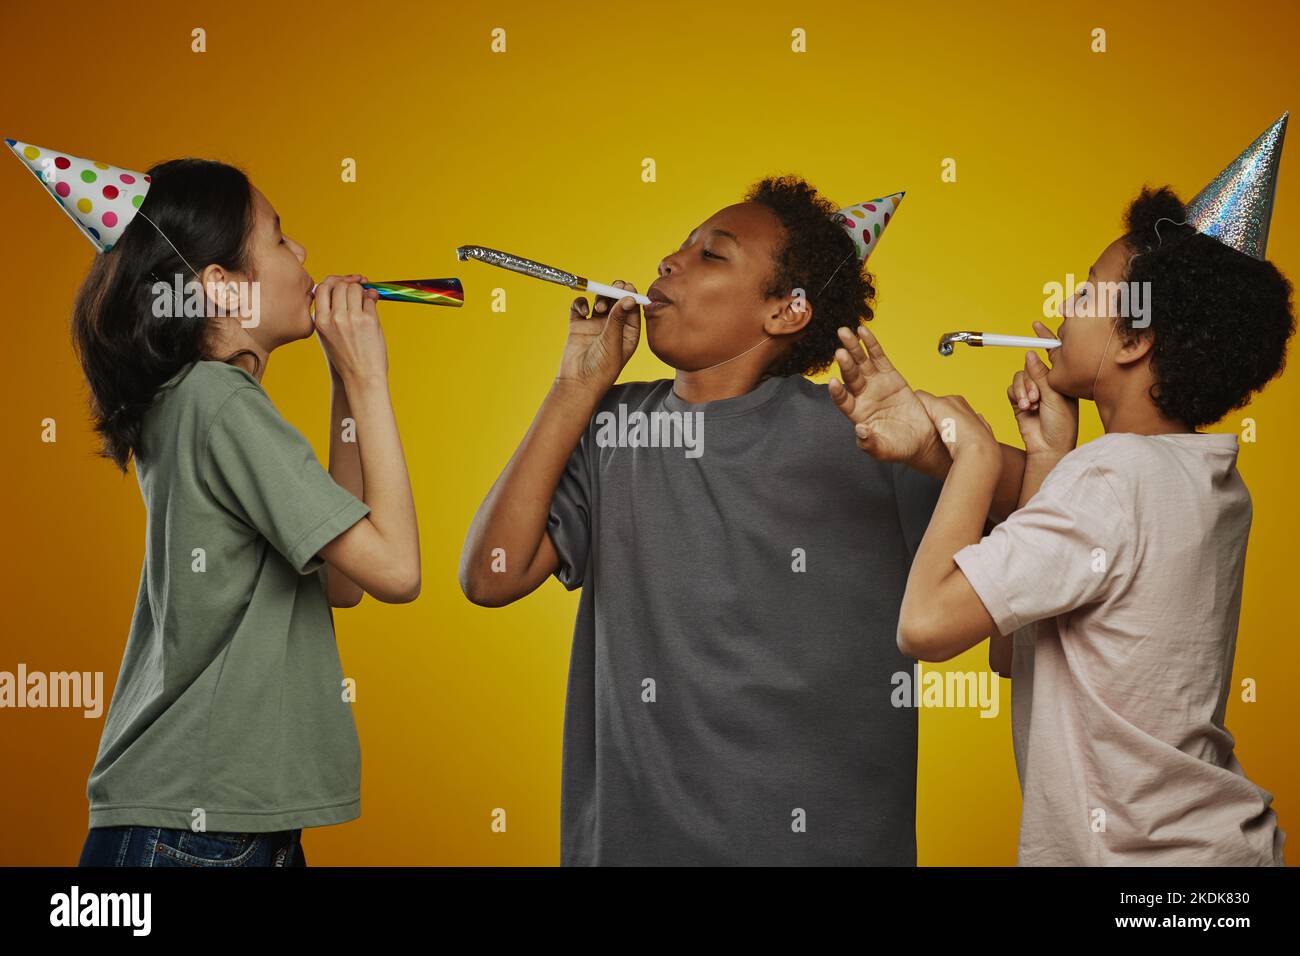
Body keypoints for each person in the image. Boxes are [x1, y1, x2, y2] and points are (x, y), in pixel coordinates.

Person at [460, 175, 1027, 865]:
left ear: (786, 313)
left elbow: (1061, 518)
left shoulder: (866, 433)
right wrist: (574, 387)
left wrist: (944, 454)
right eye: (681, 246)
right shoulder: (610, 427)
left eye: (712, 255)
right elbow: (491, 577)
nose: (671, 261)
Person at [5, 139, 421, 866]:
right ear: (227, 287)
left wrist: (342, 381)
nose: (303, 249)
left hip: (212, 821)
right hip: (197, 832)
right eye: (281, 236)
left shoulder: (197, 402)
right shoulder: (222, 404)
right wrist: (372, 376)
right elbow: (396, 571)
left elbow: (342, 582)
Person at [861, 175, 1293, 864]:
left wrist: (972, 454)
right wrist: (1046, 456)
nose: (1064, 305)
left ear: (1132, 342)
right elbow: (1013, 651)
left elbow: (925, 626)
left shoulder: (1110, 478)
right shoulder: (1204, 479)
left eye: (1088, 291)